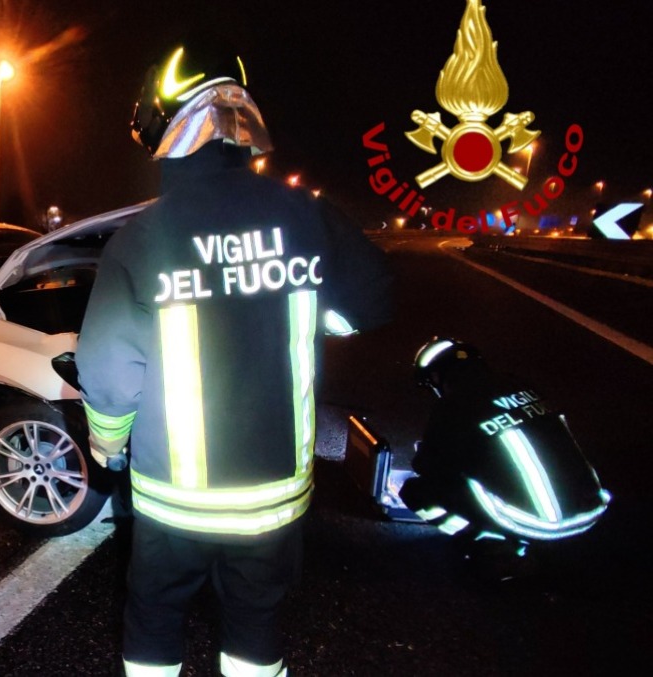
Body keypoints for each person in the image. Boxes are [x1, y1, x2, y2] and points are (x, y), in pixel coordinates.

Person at [75, 38, 393, 676]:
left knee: (155, 615)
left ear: (162, 122)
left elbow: (107, 372)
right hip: (274, 496)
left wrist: (108, 447)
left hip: (173, 500)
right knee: (256, 619)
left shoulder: (143, 238)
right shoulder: (307, 217)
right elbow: (369, 304)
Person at [401, 338, 610, 572]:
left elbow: (428, 466)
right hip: (593, 511)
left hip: (544, 525)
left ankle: (491, 544)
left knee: (416, 492)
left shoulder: (452, 406)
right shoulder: (519, 384)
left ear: (438, 376)